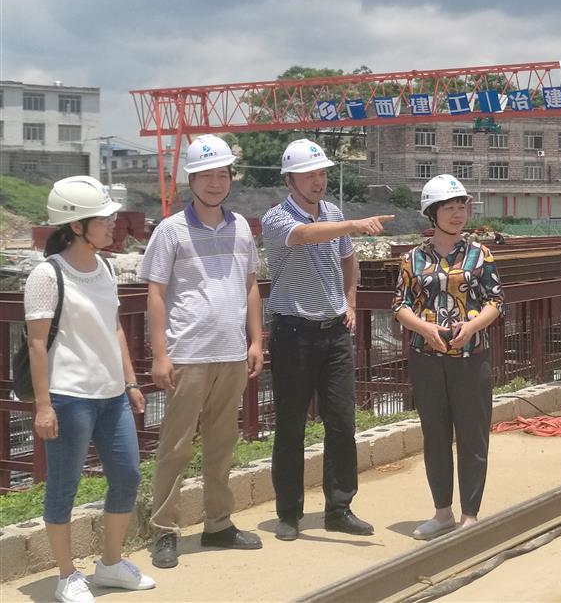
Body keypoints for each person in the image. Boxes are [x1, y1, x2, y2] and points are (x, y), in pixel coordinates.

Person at [24, 176, 155, 603]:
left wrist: (130, 381)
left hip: (112, 395)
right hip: (69, 396)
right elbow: (36, 343)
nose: (114, 223)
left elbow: (113, 327)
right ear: (77, 226)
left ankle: (111, 564)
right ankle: (66, 576)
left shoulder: (105, 268)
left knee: (127, 476)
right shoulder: (47, 274)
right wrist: (44, 406)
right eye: (105, 219)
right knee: (64, 486)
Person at [138, 135, 264, 568]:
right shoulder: (170, 230)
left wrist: (256, 340)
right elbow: (155, 293)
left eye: (222, 174)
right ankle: (165, 531)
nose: (215, 183)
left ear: (231, 178)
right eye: (206, 175)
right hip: (187, 353)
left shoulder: (241, 226)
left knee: (222, 443)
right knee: (175, 446)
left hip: (230, 352)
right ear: (190, 181)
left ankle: (218, 524)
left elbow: (250, 285)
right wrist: (160, 354)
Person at [262, 138, 394, 541]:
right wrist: (354, 225)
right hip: (293, 332)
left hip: (334, 333)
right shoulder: (277, 218)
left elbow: (347, 257)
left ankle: (339, 507)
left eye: (321, 174)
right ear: (290, 180)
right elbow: (305, 235)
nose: (318, 181)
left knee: (341, 422)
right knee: (290, 425)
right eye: (309, 175)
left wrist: (350, 301)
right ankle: (289, 513)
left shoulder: (333, 213)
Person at [392, 175, 505, 539]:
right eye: (449, 208)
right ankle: (442, 513)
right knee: (435, 434)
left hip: (472, 356)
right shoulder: (412, 258)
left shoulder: (479, 254)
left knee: (473, 434)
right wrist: (424, 329)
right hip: (427, 357)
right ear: (432, 213)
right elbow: (400, 305)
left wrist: (471, 327)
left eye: (461, 207)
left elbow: (495, 301)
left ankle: (470, 515)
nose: (458, 214)